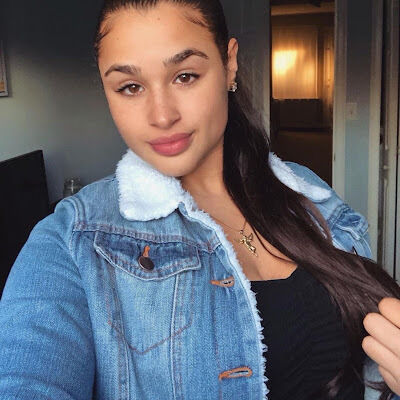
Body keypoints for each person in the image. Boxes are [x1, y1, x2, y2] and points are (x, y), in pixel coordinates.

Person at [1, 0, 400, 399]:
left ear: (229, 64)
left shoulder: (305, 190)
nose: (162, 116)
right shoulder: (73, 239)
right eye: (131, 87)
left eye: (185, 76)